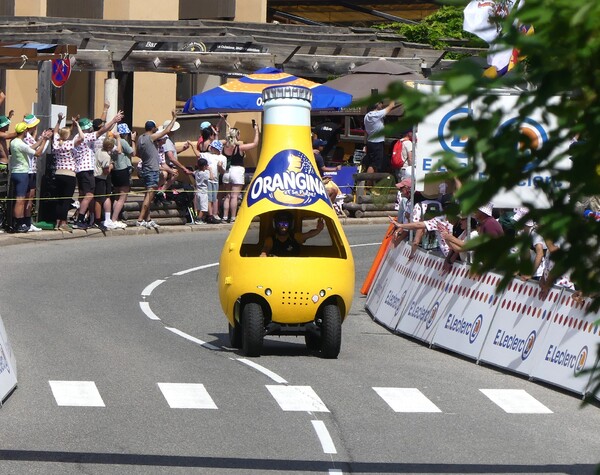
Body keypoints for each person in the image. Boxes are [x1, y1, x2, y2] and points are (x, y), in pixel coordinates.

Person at [72, 110, 123, 229]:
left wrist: (75, 124)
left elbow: (100, 129)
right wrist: (114, 120)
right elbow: (101, 130)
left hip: (79, 169)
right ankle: (80, 219)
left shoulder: (75, 137)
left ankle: (85, 218)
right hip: (87, 169)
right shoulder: (85, 137)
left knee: (85, 195)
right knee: (89, 195)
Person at [136, 109, 177, 229]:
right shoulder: (150, 138)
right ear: (152, 128)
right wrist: (174, 118)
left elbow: (137, 153)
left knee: (148, 196)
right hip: (152, 170)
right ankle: (140, 219)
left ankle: (147, 219)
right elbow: (167, 130)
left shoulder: (141, 139)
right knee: (149, 195)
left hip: (145, 168)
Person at [9, 122, 51, 233]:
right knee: (20, 200)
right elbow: (37, 153)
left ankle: (18, 223)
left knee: (20, 199)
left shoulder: (14, 142)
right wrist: (45, 141)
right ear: (24, 131)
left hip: (15, 172)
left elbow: (30, 148)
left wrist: (41, 139)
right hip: (22, 173)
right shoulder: (20, 143)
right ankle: (18, 224)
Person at [52, 113, 84, 232]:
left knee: (59, 199)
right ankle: (63, 222)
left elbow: (56, 132)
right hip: (69, 174)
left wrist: (59, 121)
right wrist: (78, 126)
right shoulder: (69, 144)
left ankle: (57, 222)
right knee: (66, 199)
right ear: (67, 136)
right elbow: (81, 137)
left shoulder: (56, 144)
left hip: (58, 172)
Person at [221, 124, 259, 223]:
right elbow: (255, 144)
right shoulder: (240, 147)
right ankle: (233, 217)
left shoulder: (224, 147)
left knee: (227, 196)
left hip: (227, 171)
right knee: (234, 196)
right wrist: (256, 131)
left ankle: (225, 217)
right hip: (237, 171)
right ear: (237, 135)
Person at [260, 211, 325, 257]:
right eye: (280, 224)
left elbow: (308, 234)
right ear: (276, 225)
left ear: (290, 225)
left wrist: (318, 230)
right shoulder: (270, 240)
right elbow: (265, 249)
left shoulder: (295, 237)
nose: (283, 227)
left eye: (285, 224)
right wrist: (263, 255)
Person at [110, 123, 136, 228]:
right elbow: (133, 153)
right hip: (123, 170)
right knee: (122, 197)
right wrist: (133, 140)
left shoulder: (112, 141)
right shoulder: (123, 141)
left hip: (115, 170)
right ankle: (114, 219)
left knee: (117, 196)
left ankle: (114, 218)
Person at [94, 134, 121, 230]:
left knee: (104, 197)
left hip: (99, 177)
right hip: (101, 177)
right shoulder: (106, 156)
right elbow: (106, 171)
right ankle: (97, 220)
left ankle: (105, 219)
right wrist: (111, 166)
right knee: (99, 198)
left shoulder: (98, 151)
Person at [363, 99, 395, 174]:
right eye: (381, 104)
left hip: (370, 141)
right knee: (374, 164)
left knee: (372, 163)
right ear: (377, 104)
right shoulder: (376, 114)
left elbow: (366, 131)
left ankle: (370, 183)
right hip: (377, 142)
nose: (382, 105)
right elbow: (391, 106)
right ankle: (368, 183)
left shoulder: (367, 116)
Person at [200, 140, 226, 224]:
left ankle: (212, 215)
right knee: (208, 198)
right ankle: (210, 215)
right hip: (207, 180)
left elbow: (222, 172)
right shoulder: (207, 155)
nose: (210, 148)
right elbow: (198, 154)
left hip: (215, 180)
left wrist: (220, 166)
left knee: (213, 198)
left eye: (213, 147)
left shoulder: (223, 158)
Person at [191, 157, 211, 224]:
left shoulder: (196, 172)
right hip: (203, 192)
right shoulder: (204, 173)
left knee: (199, 207)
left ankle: (199, 218)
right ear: (204, 166)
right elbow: (211, 177)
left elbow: (192, 172)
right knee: (204, 208)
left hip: (198, 191)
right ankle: (198, 219)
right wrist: (210, 170)